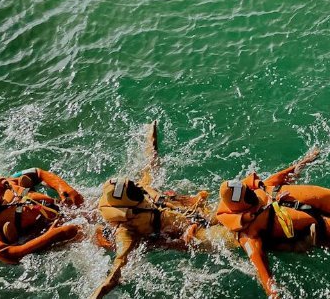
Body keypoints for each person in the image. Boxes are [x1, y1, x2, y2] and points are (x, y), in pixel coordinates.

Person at [214, 149, 330, 298]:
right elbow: (261, 268)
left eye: (248, 190)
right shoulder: (248, 233)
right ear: (239, 205)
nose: (251, 194)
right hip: (317, 228)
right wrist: (274, 293)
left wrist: (305, 161)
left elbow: (283, 176)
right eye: (247, 196)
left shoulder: (259, 189)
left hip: (313, 204)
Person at [92, 121, 229, 298]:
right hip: (189, 232)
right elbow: (118, 266)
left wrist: (151, 138)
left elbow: (151, 163)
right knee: (232, 239)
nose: (134, 186)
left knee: (234, 208)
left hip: (192, 212)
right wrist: (99, 292)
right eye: (130, 188)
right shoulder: (126, 229)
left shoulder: (140, 189)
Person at [0, 166, 83, 264]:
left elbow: (38, 172)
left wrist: (62, 187)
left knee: (90, 210)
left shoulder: (6, 186)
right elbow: (7, 254)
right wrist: (51, 236)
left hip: (57, 209)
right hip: (43, 232)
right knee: (85, 235)